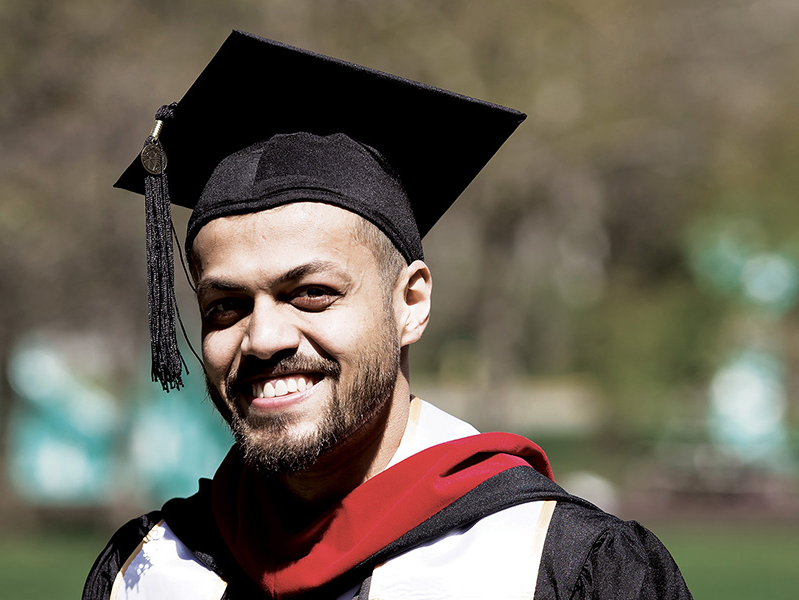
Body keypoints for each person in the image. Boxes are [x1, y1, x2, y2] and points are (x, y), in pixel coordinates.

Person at [84, 31, 692, 600]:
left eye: (312, 293)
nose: (263, 338)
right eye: (226, 306)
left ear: (412, 303)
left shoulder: (560, 566)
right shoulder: (150, 571)